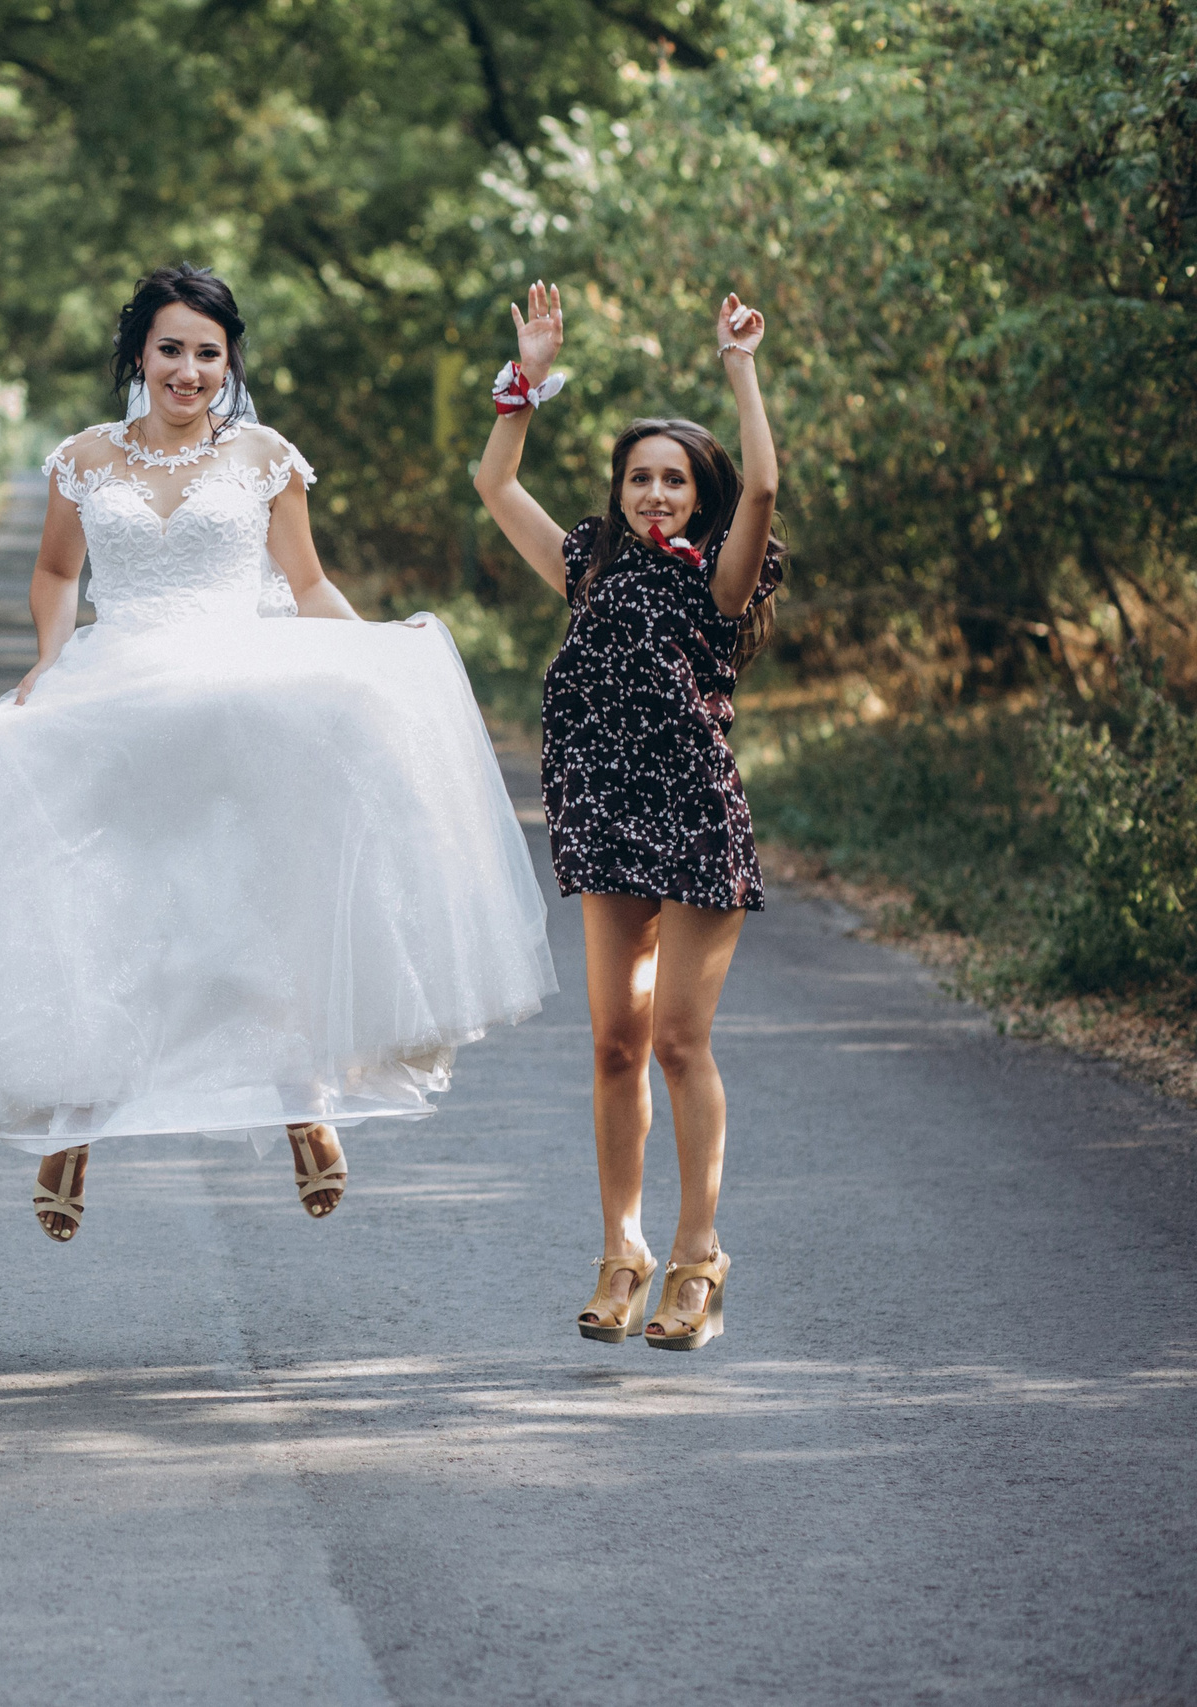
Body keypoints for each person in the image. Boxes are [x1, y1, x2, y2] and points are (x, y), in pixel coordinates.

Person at [0, 265, 558, 1242]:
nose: (189, 370)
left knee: (255, 895)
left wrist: (372, 647)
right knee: (30, 783)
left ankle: (303, 1098)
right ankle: (74, 1116)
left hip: (238, 674)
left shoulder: (264, 460)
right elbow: (53, 571)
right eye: (171, 349)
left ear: (227, 364)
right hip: (119, 675)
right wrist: (44, 665)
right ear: (138, 356)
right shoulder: (84, 458)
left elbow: (307, 582)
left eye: (208, 353)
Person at [471, 281, 784, 1352]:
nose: (656, 492)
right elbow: (493, 480)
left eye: (674, 480)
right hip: (604, 822)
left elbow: (765, 491)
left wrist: (739, 370)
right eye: (639, 477)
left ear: (699, 495)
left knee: (680, 1044)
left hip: (695, 822)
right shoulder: (589, 564)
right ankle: (622, 1251)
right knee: (614, 1045)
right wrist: (528, 381)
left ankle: (699, 1259)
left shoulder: (719, 583)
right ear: (619, 489)